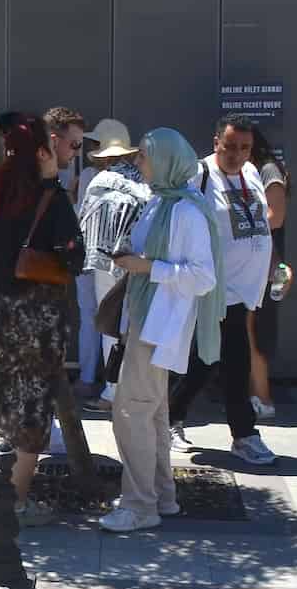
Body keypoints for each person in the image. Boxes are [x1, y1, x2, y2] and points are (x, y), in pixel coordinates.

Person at [0, 116, 82, 519]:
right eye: (56, 147)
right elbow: (74, 257)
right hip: (39, 316)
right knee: (34, 406)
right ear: (41, 152)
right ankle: (17, 500)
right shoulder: (52, 198)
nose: (64, 153)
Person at [99, 129, 223, 533]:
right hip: (147, 320)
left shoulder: (186, 211)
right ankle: (160, 497)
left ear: (167, 161)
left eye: (145, 157)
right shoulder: (163, 202)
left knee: (131, 412)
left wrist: (146, 267)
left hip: (160, 324)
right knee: (151, 413)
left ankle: (139, 506)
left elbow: (204, 277)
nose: (138, 163)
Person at [168, 116, 277, 466]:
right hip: (215, 287)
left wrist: (274, 267)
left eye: (244, 148)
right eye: (229, 146)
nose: (237, 154)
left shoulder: (253, 174)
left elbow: (260, 226)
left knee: (206, 359)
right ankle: (244, 434)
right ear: (216, 142)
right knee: (235, 359)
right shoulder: (198, 175)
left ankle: (170, 416)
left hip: (246, 291)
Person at [76, 119, 150, 410]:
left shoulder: (99, 180)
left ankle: (112, 391)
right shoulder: (142, 179)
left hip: (107, 261)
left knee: (110, 323)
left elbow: (85, 220)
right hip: (140, 261)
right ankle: (132, 389)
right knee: (134, 325)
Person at [42, 107, 100, 401]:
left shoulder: (59, 182)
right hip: (33, 291)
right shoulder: (39, 183)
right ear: (55, 141)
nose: (78, 152)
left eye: (82, 145)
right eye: (74, 144)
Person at [245, 126, 289, 418]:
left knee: (255, 334)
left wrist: (238, 222)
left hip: (263, 265)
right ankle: (252, 395)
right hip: (249, 264)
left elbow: (276, 216)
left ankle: (263, 399)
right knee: (244, 333)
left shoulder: (268, 170)